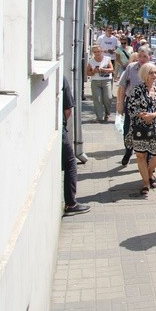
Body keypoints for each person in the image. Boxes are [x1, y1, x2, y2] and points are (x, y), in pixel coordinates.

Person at [126, 62, 156, 196]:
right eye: (151, 73)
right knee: (141, 155)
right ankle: (145, 182)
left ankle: (149, 172)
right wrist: (143, 115)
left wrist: (154, 115)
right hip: (140, 127)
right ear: (144, 74)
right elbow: (131, 108)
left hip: (155, 127)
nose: (154, 75)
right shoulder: (137, 90)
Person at [116, 46, 156, 166]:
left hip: (148, 104)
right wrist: (120, 104)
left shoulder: (153, 69)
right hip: (132, 104)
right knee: (128, 129)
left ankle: (147, 157)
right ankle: (128, 151)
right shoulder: (131, 68)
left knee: (148, 131)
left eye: (145, 56)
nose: (142, 59)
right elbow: (122, 86)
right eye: (140, 56)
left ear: (149, 57)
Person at [61, 76, 90, 216]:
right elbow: (68, 110)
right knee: (70, 162)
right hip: (60, 131)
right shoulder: (62, 78)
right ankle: (71, 203)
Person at [87, 45, 114, 122]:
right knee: (97, 99)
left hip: (106, 80)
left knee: (108, 98)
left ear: (101, 51)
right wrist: (93, 71)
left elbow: (112, 69)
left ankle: (107, 113)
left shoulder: (107, 59)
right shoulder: (91, 61)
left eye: (98, 51)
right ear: (93, 53)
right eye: (95, 52)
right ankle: (99, 117)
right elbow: (87, 72)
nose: (97, 53)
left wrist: (104, 70)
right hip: (96, 81)